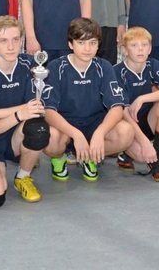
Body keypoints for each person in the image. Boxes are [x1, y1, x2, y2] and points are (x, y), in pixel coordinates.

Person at [0, 16, 52, 205]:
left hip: (17, 135)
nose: (11, 46)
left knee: (38, 128)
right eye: (3, 41)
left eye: (16, 39)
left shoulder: (31, 66)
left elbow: (35, 109)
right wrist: (19, 113)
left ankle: (23, 176)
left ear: (22, 40)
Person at [43, 18, 134, 183]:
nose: (87, 48)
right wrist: (76, 134)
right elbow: (48, 111)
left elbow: (116, 107)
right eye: (81, 42)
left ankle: (90, 157)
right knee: (49, 138)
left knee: (126, 132)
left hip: (93, 124)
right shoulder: (56, 67)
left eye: (92, 43)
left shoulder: (104, 66)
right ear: (70, 44)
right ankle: (59, 157)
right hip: (65, 128)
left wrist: (100, 133)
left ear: (98, 45)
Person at [114, 27, 159, 181]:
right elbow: (122, 112)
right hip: (127, 124)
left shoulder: (153, 65)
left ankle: (157, 160)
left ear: (150, 49)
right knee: (141, 154)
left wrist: (142, 98)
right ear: (124, 50)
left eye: (144, 45)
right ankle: (127, 152)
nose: (140, 49)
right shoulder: (116, 72)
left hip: (148, 120)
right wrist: (144, 143)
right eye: (134, 45)